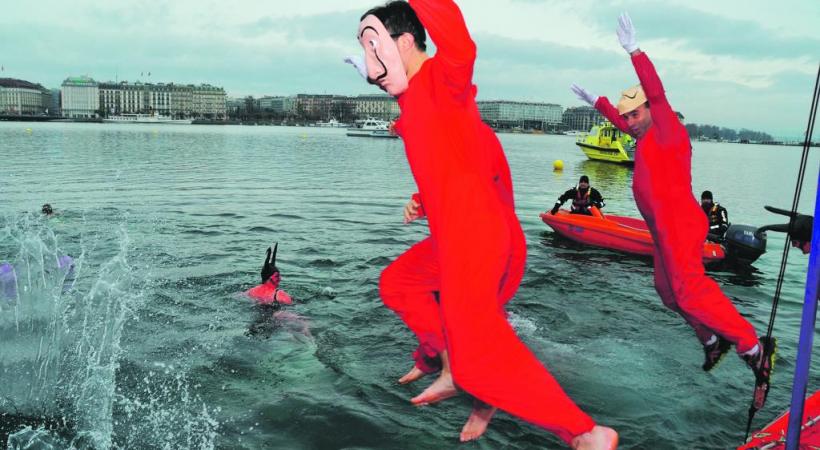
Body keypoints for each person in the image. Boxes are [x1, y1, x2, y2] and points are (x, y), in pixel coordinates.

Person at [346, 2, 617, 448]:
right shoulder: (416, 100)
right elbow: (449, 162)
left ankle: (585, 432)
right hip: (454, 234)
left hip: (475, 237)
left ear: (405, 42)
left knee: (478, 359)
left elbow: (460, 45)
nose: (371, 63)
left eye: (374, 46)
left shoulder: (442, 80)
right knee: (398, 285)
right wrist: (423, 200)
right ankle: (445, 364)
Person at [570, 13, 774, 411]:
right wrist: (597, 102)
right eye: (629, 117)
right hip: (663, 231)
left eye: (637, 114)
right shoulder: (642, 134)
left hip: (680, 225)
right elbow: (622, 118)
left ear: (652, 112)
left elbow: (657, 95)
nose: (631, 122)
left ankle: (754, 348)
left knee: (690, 290)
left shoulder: (667, 129)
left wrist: (635, 52)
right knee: (667, 292)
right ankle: (712, 341)